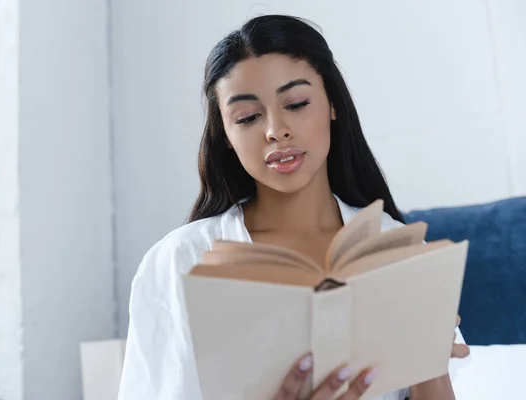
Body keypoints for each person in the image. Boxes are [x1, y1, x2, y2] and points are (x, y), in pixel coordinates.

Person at [118, 14, 470, 400]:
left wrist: (427, 365)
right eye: (248, 117)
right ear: (227, 137)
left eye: (297, 103)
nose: (275, 130)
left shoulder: (398, 251)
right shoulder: (179, 262)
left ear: (332, 104)